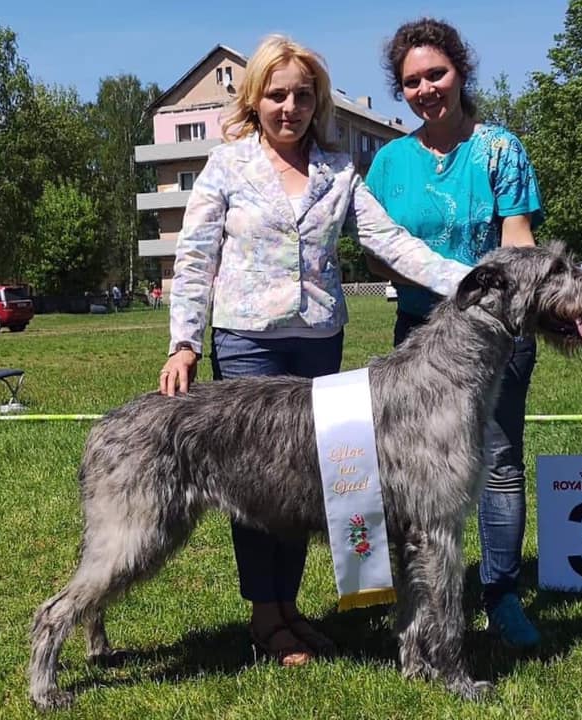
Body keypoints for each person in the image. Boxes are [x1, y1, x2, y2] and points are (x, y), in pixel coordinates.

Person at [158, 34, 470, 667]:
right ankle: (264, 616)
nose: (289, 107)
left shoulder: (336, 171)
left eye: (302, 95)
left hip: (318, 343)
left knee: (309, 484)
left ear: (316, 102)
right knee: (254, 485)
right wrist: (185, 341)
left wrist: (467, 280)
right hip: (245, 342)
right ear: (255, 99)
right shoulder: (227, 165)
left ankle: (291, 609)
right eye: (277, 95)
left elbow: (392, 242)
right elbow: (194, 258)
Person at [365, 18, 544, 649]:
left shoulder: (500, 149)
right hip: (418, 336)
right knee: (407, 475)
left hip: (495, 338)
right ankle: (420, 603)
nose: (425, 89)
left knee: (497, 464)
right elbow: (375, 255)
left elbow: (517, 245)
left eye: (435, 74)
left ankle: (501, 594)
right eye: (411, 81)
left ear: (460, 73)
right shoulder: (388, 162)